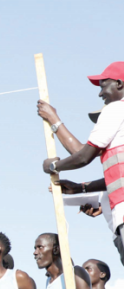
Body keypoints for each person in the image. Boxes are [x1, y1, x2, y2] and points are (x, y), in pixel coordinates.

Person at [37, 62, 124, 265]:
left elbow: (82, 154)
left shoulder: (116, 109)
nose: (100, 93)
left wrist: (53, 166)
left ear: (119, 84)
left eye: (103, 86)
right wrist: (81, 188)